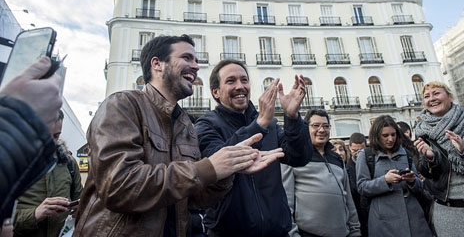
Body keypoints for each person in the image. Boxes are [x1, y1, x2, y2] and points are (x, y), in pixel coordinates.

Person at [73, 35, 279, 237]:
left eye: (196, 60)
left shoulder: (186, 125)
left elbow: (192, 200)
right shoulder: (123, 105)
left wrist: (227, 171)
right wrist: (209, 167)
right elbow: (119, 186)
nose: (196, 66)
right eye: (187, 58)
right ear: (157, 64)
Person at [195, 59, 312, 237]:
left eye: (244, 80)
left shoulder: (269, 123)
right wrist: (260, 124)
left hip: (277, 230)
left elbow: (299, 157)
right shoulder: (206, 124)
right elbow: (217, 162)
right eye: (230, 81)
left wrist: (293, 117)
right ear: (215, 92)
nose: (240, 86)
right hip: (228, 232)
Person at [0, 56, 63, 226]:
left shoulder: (66, 164)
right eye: (45, 133)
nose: (51, 142)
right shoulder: (22, 160)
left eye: (56, 135)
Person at [282, 109, 361, 237]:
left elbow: (348, 200)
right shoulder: (293, 156)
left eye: (325, 126)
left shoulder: (337, 159)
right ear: (305, 128)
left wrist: (355, 231)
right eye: (315, 125)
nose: (321, 130)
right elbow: (285, 203)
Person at [356, 115, 432, 237]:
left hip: (414, 221)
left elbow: (420, 187)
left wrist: (412, 181)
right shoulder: (366, 155)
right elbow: (361, 186)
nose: (390, 139)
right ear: (377, 136)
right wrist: (385, 181)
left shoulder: (405, 153)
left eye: (393, 134)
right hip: (383, 223)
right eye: (385, 136)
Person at [13, 110, 83, 237]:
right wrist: (35, 214)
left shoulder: (69, 163)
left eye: (56, 136)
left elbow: (81, 199)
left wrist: (80, 209)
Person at [413, 81, 464, 237]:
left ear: (450, 96)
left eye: (436, 93)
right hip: (446, 208)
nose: (432, 98)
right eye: (427, 96)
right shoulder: (421, 130)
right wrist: (430, 158)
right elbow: (426, 173)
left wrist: (463, 150)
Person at [346, 132, 368, 237]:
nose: (358, 154)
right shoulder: (347, 167)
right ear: (349, 148)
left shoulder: (372, 163)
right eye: (355, 151)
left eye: (361, 150)